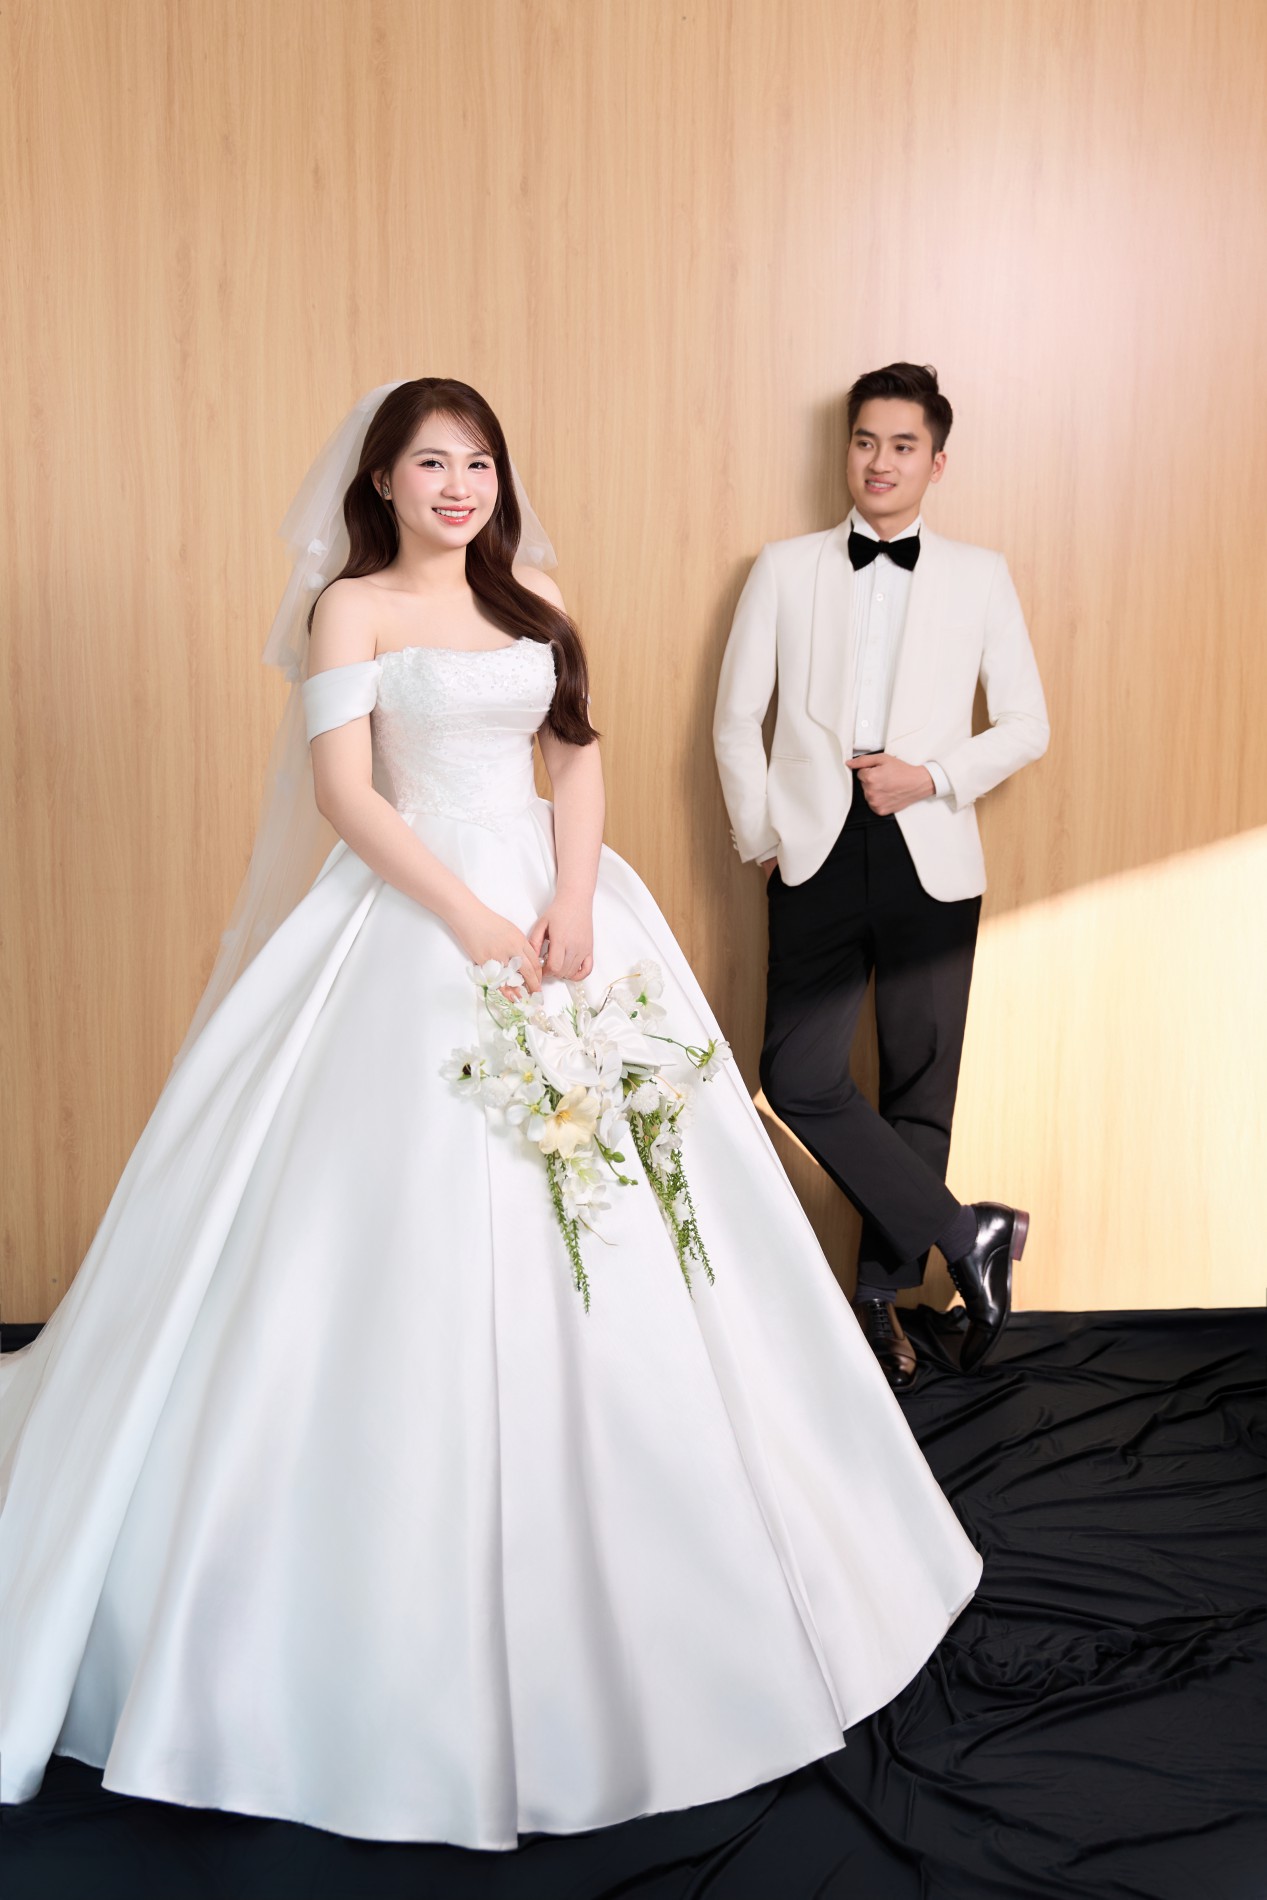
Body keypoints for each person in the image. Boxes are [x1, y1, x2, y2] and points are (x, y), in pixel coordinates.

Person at [0, 378, 982, 1849]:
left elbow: (573, 752)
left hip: (560, 909)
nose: (457, 487)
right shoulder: (351, 610)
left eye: (476, 463)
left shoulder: (536, 598)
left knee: (643, 1213)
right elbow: (346, 793)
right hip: (415, 911)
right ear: (382, 483)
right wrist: (469, 917)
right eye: (429, 464)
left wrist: (572, 899)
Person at [713, 362, 1050, 1392]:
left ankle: (878, 1306)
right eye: (864, 440)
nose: (879, 461)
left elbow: (1026, 724)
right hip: (812, 850)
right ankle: (966, 1231)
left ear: (935, 462)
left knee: (919, 1088)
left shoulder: (980, 575)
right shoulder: (781, 568)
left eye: (902, 445)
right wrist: (760, 835)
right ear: (846, 449)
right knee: (797, 1074)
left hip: (930, 851)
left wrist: (929, 777)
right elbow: (736, 717)